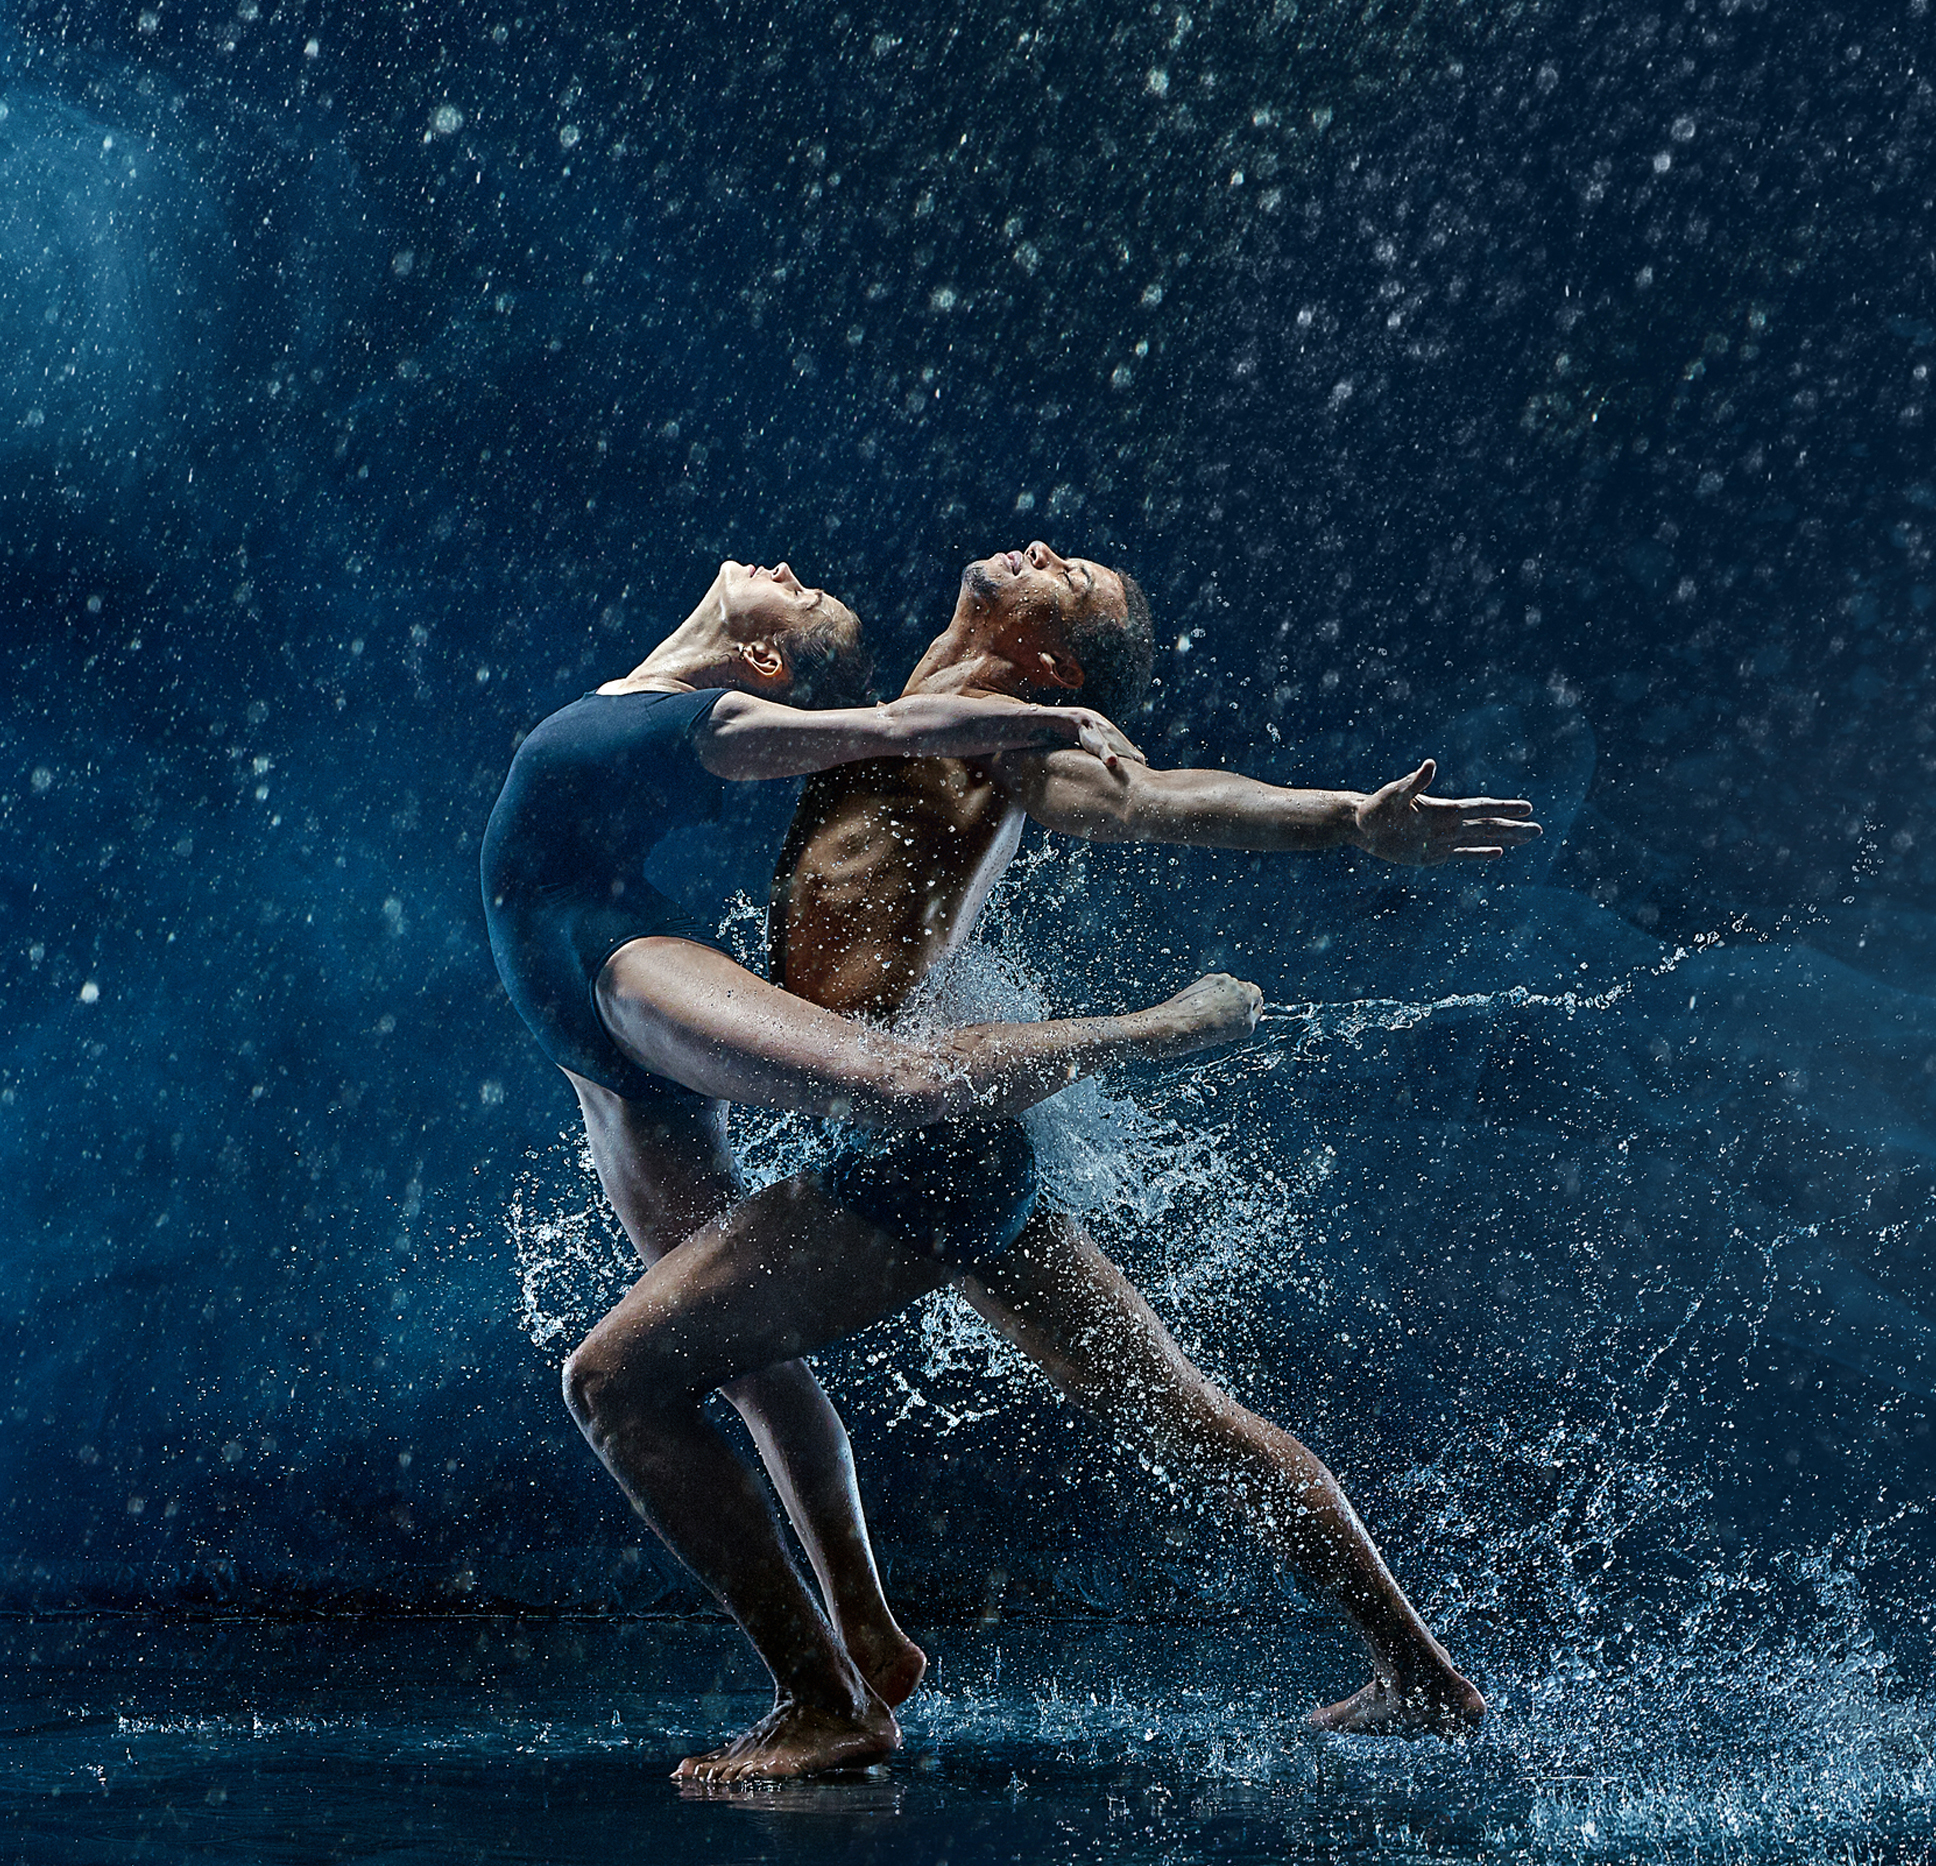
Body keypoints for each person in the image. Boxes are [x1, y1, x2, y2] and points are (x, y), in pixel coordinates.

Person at [562, 546, 1536, 1780]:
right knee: (1193, 1420)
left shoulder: (1006, 750)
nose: (1043, 550)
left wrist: (1346, 817)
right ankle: (1422, 1676)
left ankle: (828, 1705)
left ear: (1052, 662)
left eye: (1073, 576)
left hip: (926, 1158)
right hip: (962, 1154)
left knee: (616, 1381)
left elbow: (1156, 796)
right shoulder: (895, 721)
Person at [483, 554, 1264, 1765]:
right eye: (792, 586)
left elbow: (901, 724)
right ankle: (863, 1630)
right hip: (585, 1054)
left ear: (758, 661)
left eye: (790, 602)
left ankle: (826, 1705)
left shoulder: (722, 712)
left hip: (620, 967)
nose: (782, 570)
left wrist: (1054, 716)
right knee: (746, 1356)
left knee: (892, 1086)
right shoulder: (649, 685)